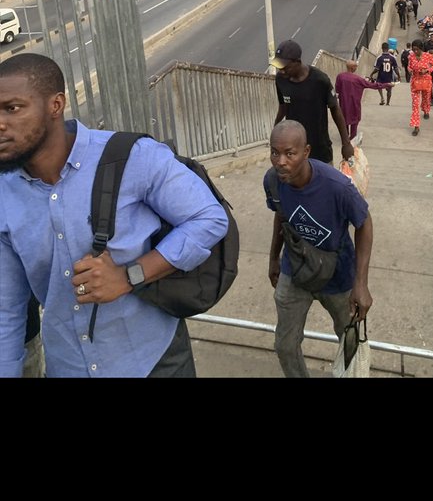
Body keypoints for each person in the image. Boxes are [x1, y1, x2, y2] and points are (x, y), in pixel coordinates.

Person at [0, 53, 229, 378]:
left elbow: (208, 218)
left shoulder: (133, 157)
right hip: (68, 366)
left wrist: (130, 276)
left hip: (154, 360)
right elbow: (7, 309)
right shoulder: (4, 193)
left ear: (56, 105)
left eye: (12, 108)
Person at [265, 120, 373, 379]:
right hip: (296, 269)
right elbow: (281, 214)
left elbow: (364, 223)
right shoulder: (273, 180)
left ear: (306, 152)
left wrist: (361, 283)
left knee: (349, 338)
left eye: (289, 153)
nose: (281, 161)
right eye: (275, 153)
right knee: (285, 345)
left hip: (338, 275)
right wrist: (273, 258)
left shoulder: (336, 186)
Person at [272, 39, 354, 164]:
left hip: (320, 151)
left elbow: (335, 109)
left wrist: (346, 143)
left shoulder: (320, 80)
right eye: (279, 67)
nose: (281, 71)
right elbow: (283, 107)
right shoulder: (280, 80)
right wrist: (275, 130)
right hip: (294, 151)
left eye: (285, 67)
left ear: (297, 62)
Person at [335, 59, 386, 142]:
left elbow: (337, 89)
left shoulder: (340, 76)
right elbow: (372, 85)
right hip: (355, 104)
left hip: (343, 104)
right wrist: (386, 85)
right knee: (354, 121)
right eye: (356, 67)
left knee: (344, 120)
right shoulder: (358, 79)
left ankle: (345, 137)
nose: (356, 68)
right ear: (353, 68)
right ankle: (352, 138)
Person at [407, 39, 433, 136]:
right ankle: (416, 126)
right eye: (414, 49)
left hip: (426, 81)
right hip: (415, 82)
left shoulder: (428, 56)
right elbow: (409, 66)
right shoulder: (411, 57)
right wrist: (410, 70)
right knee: (415, 104)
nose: (415, 51)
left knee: (426, 99)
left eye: (417, 49)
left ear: (421, 48)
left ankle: (426, 110)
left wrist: (427, 70)